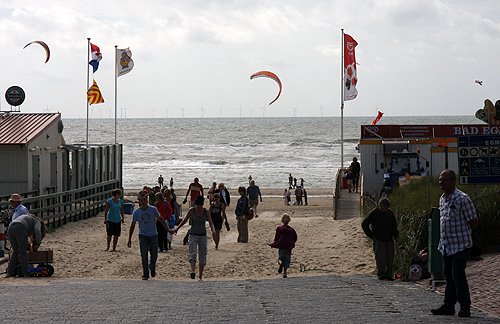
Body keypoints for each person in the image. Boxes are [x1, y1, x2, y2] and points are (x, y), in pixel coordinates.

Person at [431, 169, 478, 318]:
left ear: (452, 181)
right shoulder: (442, 199)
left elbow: (473, 221)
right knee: (449, 277)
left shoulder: (462, 199)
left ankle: (465, 307)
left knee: (458, 275)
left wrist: (463, 235)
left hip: (460, 245)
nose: (441, 182)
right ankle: (448, 305)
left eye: (444, 180)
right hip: (446, 245)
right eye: (440, 180)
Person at [127, 191, 169, 280]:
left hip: (153, 234)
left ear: (147, 200)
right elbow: (132, 225)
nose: (143, 202)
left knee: (154, 254)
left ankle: (152, 267)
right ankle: (145, 273)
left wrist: (168, 229)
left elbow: (160, 219)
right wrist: (129, 239)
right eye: (141, 200)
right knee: (144, 255)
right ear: (139, 201)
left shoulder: (153, 209)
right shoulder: (136, 212)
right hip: (143, 235)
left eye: (145, 199)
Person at [173, 196, 215, 281]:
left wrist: (213, 230)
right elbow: (184, 220)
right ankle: (192, 271)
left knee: (202, 255)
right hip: (193, 235)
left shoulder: (205, 212)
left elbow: (210, 222)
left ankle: (200, 276)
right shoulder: (192, 210)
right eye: (197, 206)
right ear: (195, 205)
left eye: (200, 206)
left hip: (202, 236)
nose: (199, 208)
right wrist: (177, 229)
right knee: (193, 253)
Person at [361, 197, 399, 280]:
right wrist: (372, 236)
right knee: (380, 258)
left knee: (390, 258)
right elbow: (364, 224)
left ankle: (389, 274)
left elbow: (394, 226)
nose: (384, 208)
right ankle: (381, 274)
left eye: (386, 206)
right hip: (379, 240)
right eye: (383, 206)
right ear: (380, 205)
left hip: (389, 239)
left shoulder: (390, 213)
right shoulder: (374, 213)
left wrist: (396, 236)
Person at [268, 213, 298, 278]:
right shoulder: (291, 230)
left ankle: (281, 263)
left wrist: (275, 243)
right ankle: (284, 273)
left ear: (282, 220)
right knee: (287, 260)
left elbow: (276, 237)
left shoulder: (279, 229)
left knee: (280, 257)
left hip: (281, 246)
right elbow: (295, 238)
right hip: (288, 246)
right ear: (289, 220)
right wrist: (292, 243)